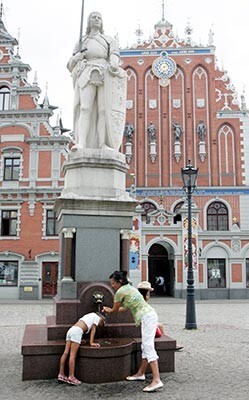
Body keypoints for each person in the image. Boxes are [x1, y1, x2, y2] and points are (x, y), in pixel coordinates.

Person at [67, 11, 127, 151]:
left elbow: (114, 54)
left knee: (103, 110)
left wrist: (113, 62)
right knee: (85, 108)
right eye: (94, 17)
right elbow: (71, 65)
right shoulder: (82, 41)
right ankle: (81, 142)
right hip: (87, 72)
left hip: (104, 73)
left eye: (99, 17)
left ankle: (102, 144)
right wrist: (78, 57)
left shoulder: (108, 39)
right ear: (88, 21)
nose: (97, 19)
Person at [103, 271, 163, 393]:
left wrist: (108, 310)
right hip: (149, 315)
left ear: (119, 282)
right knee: (145, 346)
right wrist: (112, 310)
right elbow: (127, 307)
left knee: (148, 346)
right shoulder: (129, 288)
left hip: (147, 317)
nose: (112, 286)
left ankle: (157, 380)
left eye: (113, 283)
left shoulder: (120, 292)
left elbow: (115, 309)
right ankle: (140, 373)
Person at [57, 312, 105, 385]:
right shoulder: (97, 317)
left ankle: (61, 374)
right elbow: (93, 329)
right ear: (101, 319)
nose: (100, 325)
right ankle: (71, 377)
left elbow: (82, 326)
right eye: (102, 324)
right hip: (77, 332)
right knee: (72, 355)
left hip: (71, 330)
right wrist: (91, 343)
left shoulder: (88, 315)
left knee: (66, 352)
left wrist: (79, 340)